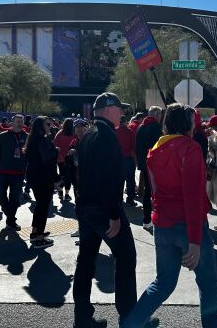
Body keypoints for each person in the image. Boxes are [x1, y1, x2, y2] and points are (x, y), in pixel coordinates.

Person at [121, 104, 217, 328]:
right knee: (208, 285)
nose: (196, 125)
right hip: (188, 226)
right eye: (193, 121)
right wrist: (194, 241)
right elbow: (193, 197)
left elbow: (153, 192)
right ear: (187, 123)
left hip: (163, 224)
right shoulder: (190, 149)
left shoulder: (155, 149)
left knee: (163, 283)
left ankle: (130, 325)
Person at [73, 92, 136, 328]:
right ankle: (130, 317)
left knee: (86, 260)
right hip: (103, 210)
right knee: (126, 257)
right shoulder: (107, 135)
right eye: (120, 109)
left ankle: (82, 317)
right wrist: (113, 215)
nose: (122, 113)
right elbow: (107, 179)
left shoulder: (88, 133)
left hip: (86, 208)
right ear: (109, 109)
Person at [0, 115, 28, 231]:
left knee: (14, 198)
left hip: (18, 173)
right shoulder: (3, 136)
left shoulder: (27, 137)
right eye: (17, 121)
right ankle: (10, 215)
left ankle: (10, 221)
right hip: (3, 172)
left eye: (21, 122)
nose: (20, 123)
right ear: (12, 123)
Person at [24, 116, 58, 249]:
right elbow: (47, 161)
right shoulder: (42, 140)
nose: (51, 126)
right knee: (43, 207)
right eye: (48, 124)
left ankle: (35, 232)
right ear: (40, 126)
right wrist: (55, 152)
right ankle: (39, 238)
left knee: (40, 205)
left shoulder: (32, 139)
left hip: (34, 177)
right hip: (43, 178)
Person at [136, 106, 163, 229]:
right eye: (160, 115)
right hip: (155, 164)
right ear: (157, 115)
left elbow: (137, 146)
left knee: (147, 192)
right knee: (157, 190)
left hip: (143, 163)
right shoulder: (157, 127)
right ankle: (159, 217)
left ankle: (146, 220)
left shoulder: (140, 127)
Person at [116, 115, 137, 206]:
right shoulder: (130, 131)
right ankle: (130, 199)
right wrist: (135, 161)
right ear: (125, 121)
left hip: (118, 159)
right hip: (128, 158)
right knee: (130, 180)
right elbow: (133, 147)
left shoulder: (114, 131)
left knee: (119, 180)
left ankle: (119, 199)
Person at [54, 118, 77, 202]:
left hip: (60, 159)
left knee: (62, 175)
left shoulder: (60, 133)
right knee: (69, 177)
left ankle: (60, 192)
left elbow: (55, 145)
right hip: (70, 159)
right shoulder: (74, 133)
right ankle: (66, 194)